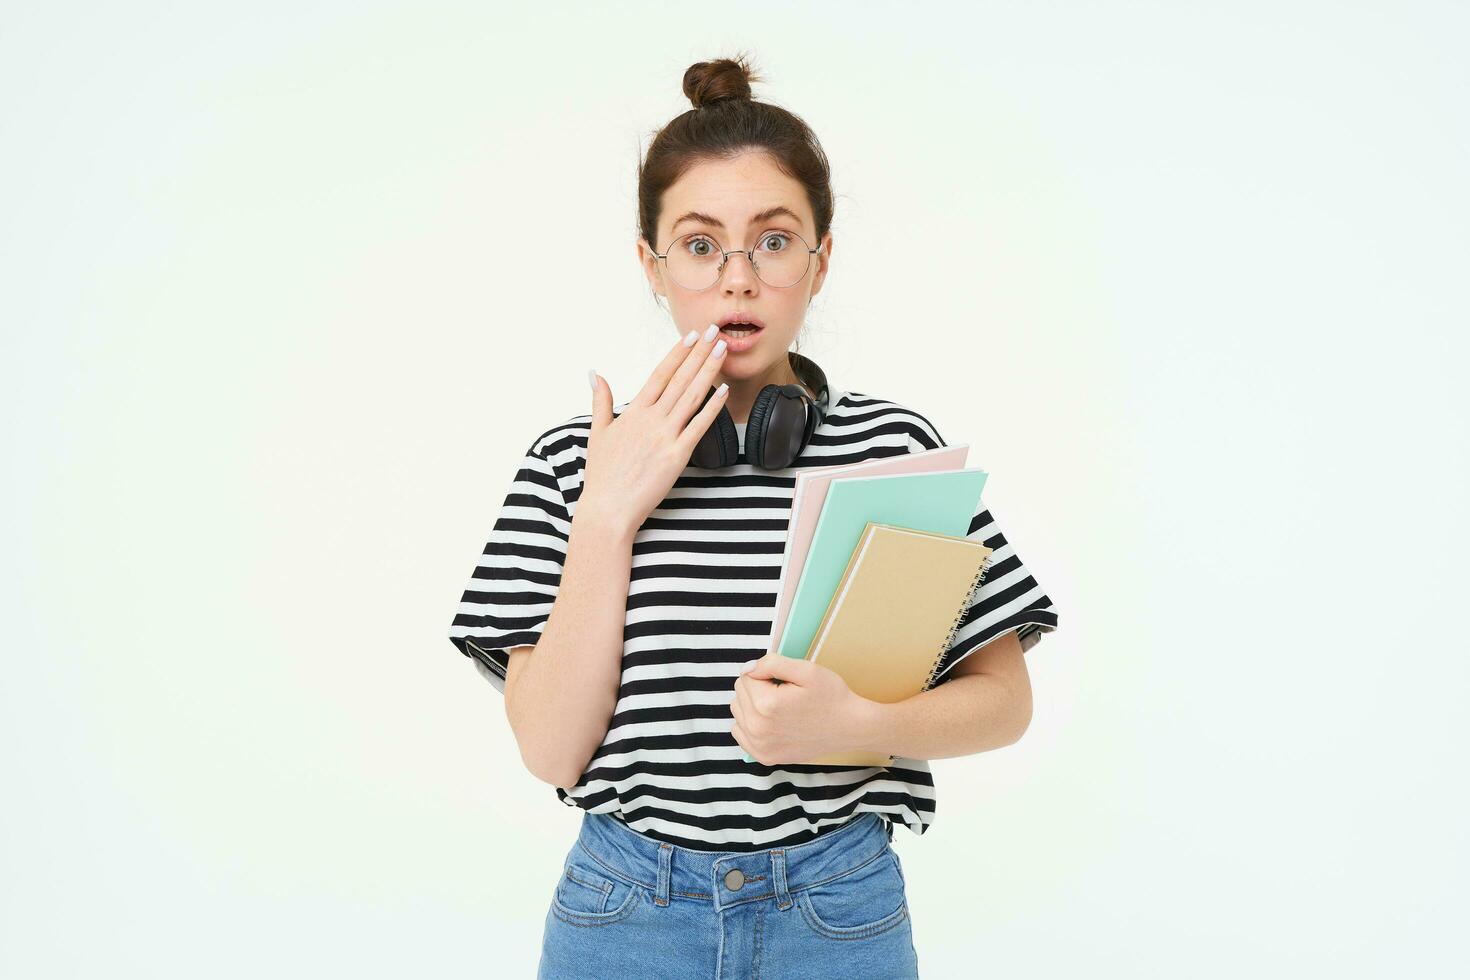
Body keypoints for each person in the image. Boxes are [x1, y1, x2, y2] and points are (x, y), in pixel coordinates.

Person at [447, 54, 1060, 979]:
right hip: (625, 916)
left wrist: (851, 726)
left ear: (821, 261)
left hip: (836, 909)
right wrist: (608, 513)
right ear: (652, 265)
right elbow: (549, 748)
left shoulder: (893, 448)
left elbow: (1004, 702)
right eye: (699, 245)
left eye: (773, 241)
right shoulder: (571, 462)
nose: (738, 279)